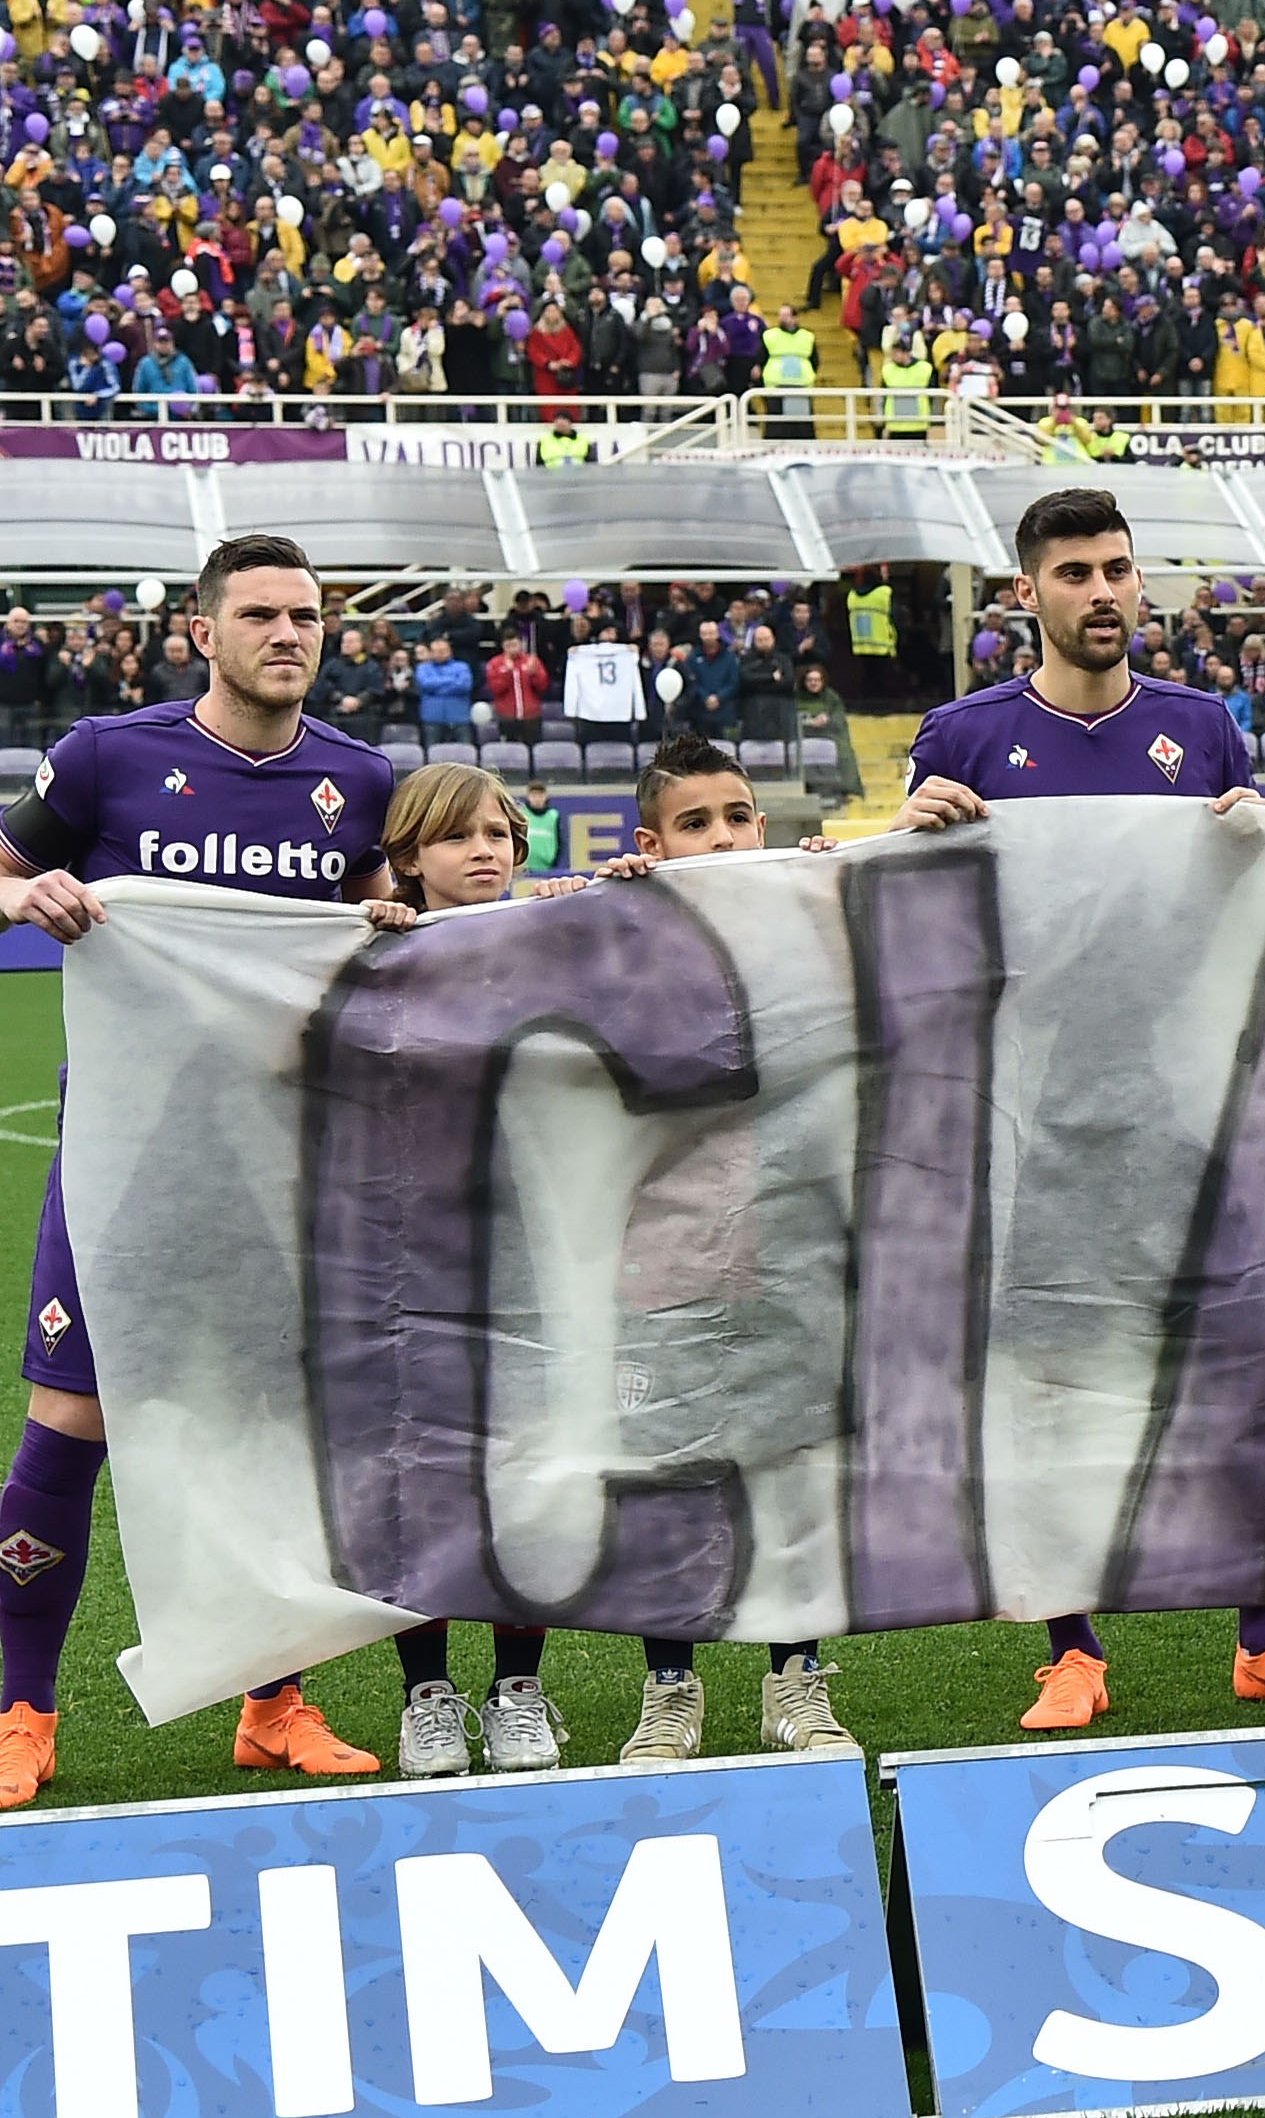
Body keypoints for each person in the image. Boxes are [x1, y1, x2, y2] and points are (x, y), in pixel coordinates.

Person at [897, 487, 1265, 1729]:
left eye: (1119, 569)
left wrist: (1255, 840)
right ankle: (1072, 1645)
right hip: (1039, 1110)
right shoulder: (962, 736)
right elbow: (899, 914)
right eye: (1075, 574)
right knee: (1053, 1378)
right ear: (1029, 596)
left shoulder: (1201, 728)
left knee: (1248, 1364)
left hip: (1193, 1097)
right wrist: (903, 832)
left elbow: (1243, 913)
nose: (1104, 592)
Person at [0, 533, 406, 1801]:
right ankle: (21, 1706)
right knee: (72, 1423)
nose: (291, 635)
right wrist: (23, 900)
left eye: (309, 616)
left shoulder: (362, 780)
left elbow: (400, 937)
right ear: (204, 633)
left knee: (268, 1434)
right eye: (264, 616)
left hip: (286, 1166)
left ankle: (273, 1700)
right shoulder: (109, 756)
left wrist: (402, 917)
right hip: (125, 1157)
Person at [606, 737, 857, 1761]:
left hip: (790, 1242)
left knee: (787, 1472)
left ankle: (795, 1682)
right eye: (697, 823)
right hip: (658, 1256)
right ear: (650, 843)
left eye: (739, 816)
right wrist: (604, 920)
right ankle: (670, 1689)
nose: (724, 837)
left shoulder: (809, 921)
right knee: (672, 1476)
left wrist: (867, 887)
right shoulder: (613, 933)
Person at [348, 763, 586, 1773]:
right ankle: (430, 1695)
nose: (485, 849)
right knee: (422, 1474)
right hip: (406, 1255)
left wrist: (628, 900)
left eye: (499, 831)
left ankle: (520, 1690)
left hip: (532, 1246)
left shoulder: (557, 937)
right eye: (456, 837)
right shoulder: (367, 955)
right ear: (407, 859)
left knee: (526, 1472)